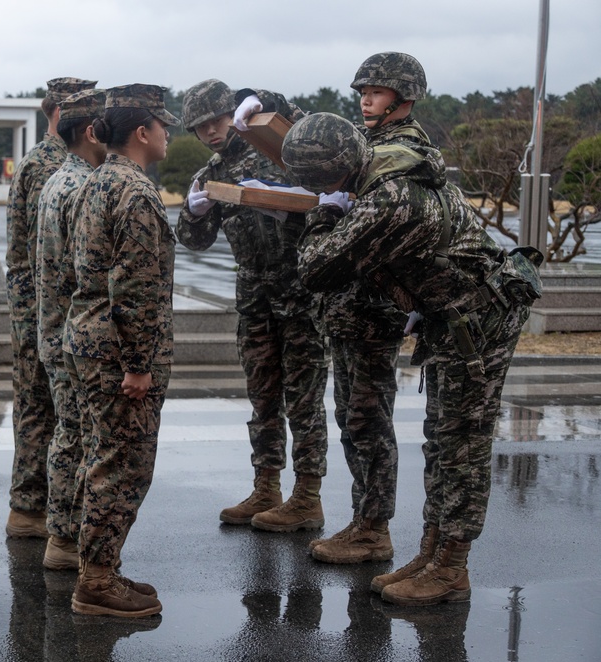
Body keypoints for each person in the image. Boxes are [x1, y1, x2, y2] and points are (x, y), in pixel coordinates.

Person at [281, 112, 541, 606]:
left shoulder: (388, 199)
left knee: (461, 446)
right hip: (452, 317)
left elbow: (315, 268)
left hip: (478, 319)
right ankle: (430, 552)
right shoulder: (383, 167)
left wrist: (322, 212)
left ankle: (451, 567)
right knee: (441, 441)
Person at [184, 81, 330, 532]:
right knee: (263, 395)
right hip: (254, 297)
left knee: (304, 397)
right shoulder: (211, 172)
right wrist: (194, 211)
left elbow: (315, 134)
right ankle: (266, 486)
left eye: (217, 120)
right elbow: (194, 242)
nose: (211, 131)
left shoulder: (276, 147)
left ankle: (307, 496)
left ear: (234, 113)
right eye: (200, 127)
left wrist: (265, 99)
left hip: (300, 291)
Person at [307, 53, 433, 565]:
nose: (365, 99)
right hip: (348, 307)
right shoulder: (372, 145)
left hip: (374, 307)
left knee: (368, 420)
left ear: (403, 98)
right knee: (350, 417)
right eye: (363, 90)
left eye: (377, 92)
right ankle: (363, 520)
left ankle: (374, 529)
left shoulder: (405, 151)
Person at [63, 83, 179, 617]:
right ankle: (98, 581)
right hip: (116, 350)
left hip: (87, 336)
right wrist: (138, 365)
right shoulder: (134, 192)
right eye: (163, 125)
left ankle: (99, 567)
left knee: (101, 456)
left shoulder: (96, 181)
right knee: (123, 464)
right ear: (142, 132)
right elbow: (134, 285)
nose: (168, 134)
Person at [5, 77, 97, 539]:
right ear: (62, 114)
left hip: (36, 303)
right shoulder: (52, 166)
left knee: (36, 405)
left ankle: (30, 507)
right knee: (43, 407)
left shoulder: (43, 161)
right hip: (44, 305)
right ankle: (31, 508)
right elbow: (55, 253)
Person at [34, 88, 108, 569]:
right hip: (75, 338)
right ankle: (69, 541)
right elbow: (91, 274)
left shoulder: (58, 180)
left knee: (68, 435)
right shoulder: (84, 188)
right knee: (83, 441)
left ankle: (60, 538)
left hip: (54, 332)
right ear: (89, 132)